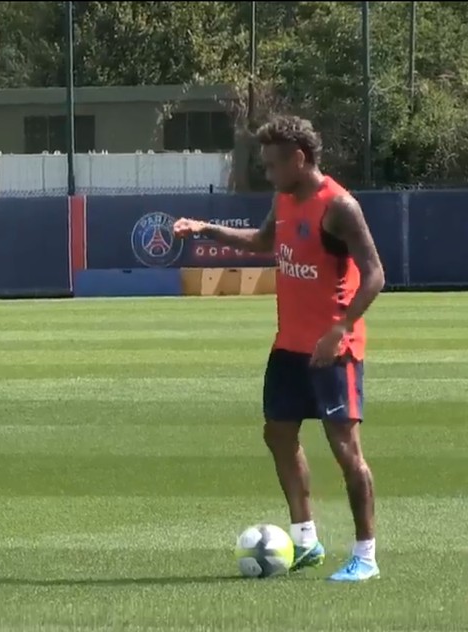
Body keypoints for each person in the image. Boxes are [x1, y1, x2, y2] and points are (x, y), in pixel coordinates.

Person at [173, 115, 385, 583]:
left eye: (272, 165)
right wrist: (207, 229)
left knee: (346, 449)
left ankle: (365, 556)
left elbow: (375, 274)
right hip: (288, 345)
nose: (267, 173)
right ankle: (305, 539)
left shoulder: (339, 207)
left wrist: (341, 328)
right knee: (278, 434)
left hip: (335, 348)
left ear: (299, 159)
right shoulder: (284, 199)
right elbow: (264, 241)